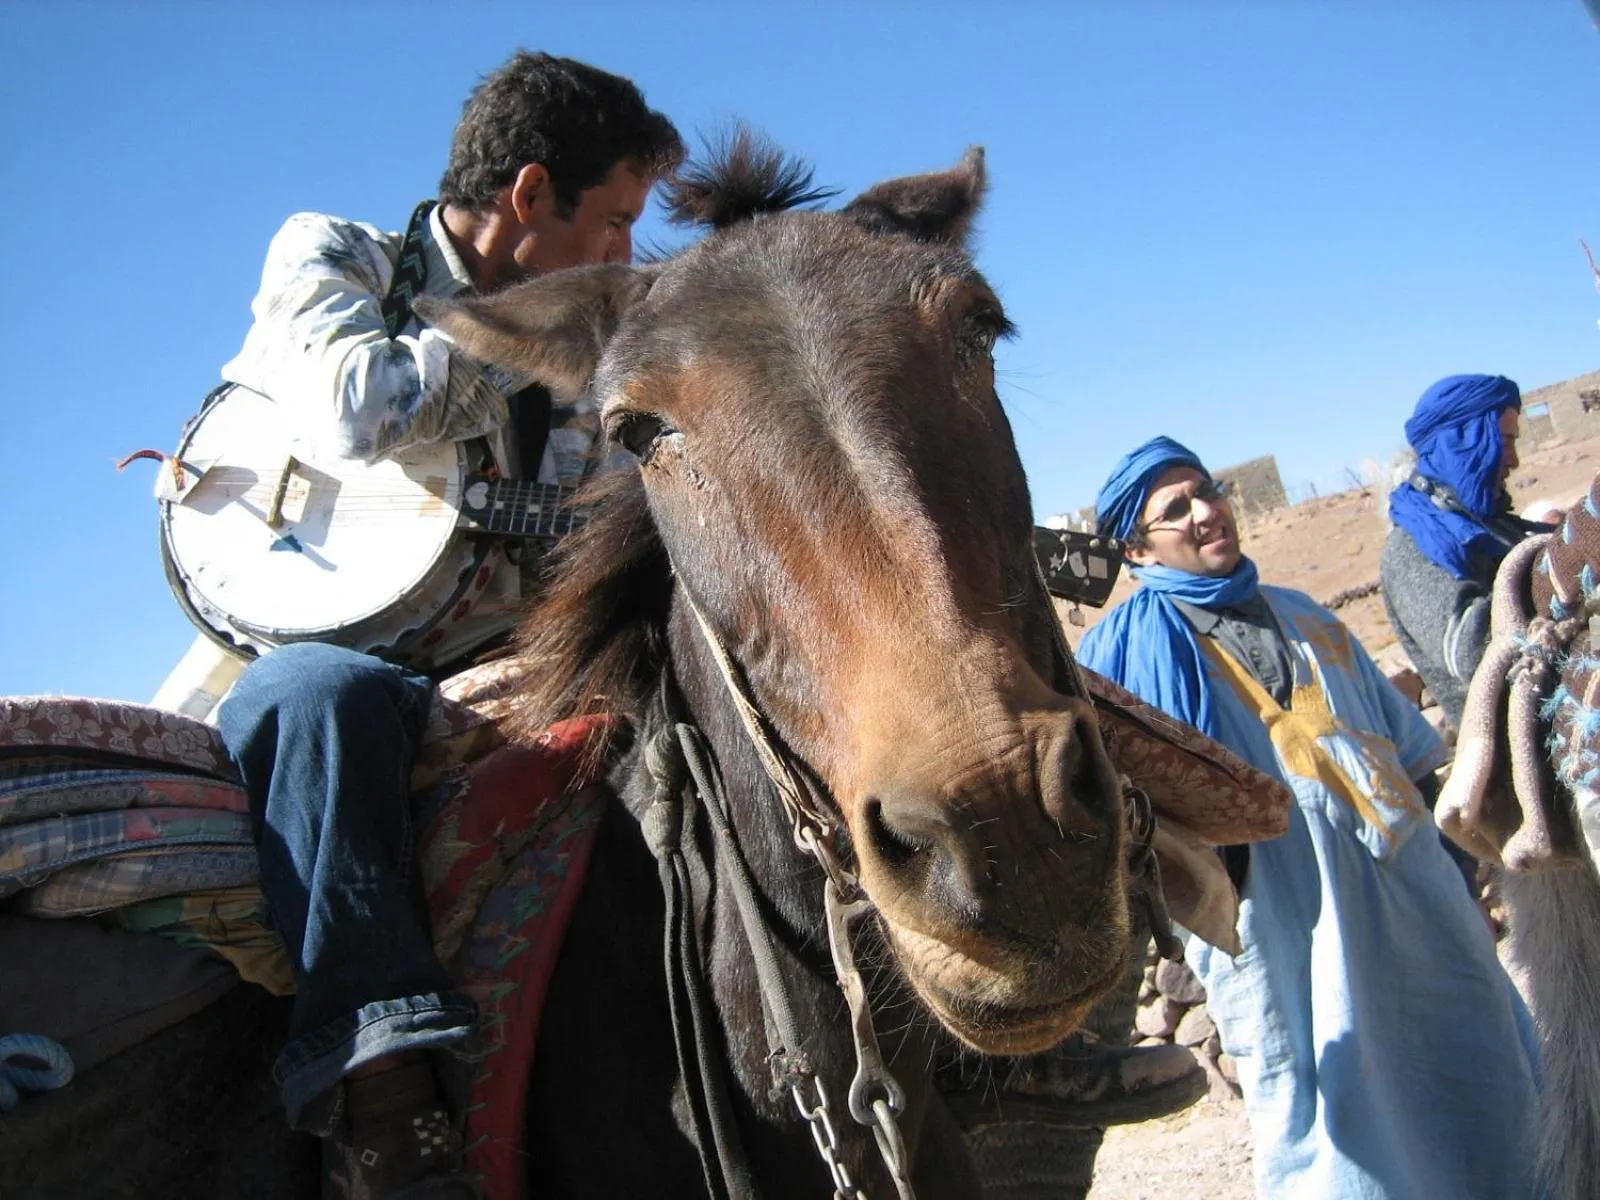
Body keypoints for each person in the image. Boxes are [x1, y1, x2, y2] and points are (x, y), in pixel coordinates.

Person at [210, 51, 683, 1199]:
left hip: (515, 658)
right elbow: (357, 410)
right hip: (327, 649)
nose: (626, 254)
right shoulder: (333, 254)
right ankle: (383, 1107)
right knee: (314, 699)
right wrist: (537, 329)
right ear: (530, 196)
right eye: (616, 222)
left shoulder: (594, 348)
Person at [1077, 436, 1542, 1199]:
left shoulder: (1302, 614)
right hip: (1282, 923)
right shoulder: (1119, 658)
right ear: (1135, 544)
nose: (1206, 511)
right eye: (1176, 508)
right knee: (1328, 1112)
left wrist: (1456, 871)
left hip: (1413, 893)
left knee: (1480, 1064)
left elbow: (1408, 751)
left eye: (1207, 489)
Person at [1381, 374, 1551, 730]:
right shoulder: (1412, 548)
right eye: (1504, 442)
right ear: (1464, 443)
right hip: (1521, 760)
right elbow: (1475, 651)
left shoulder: (1497, 527)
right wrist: (1558, 575)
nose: (1514, 461)